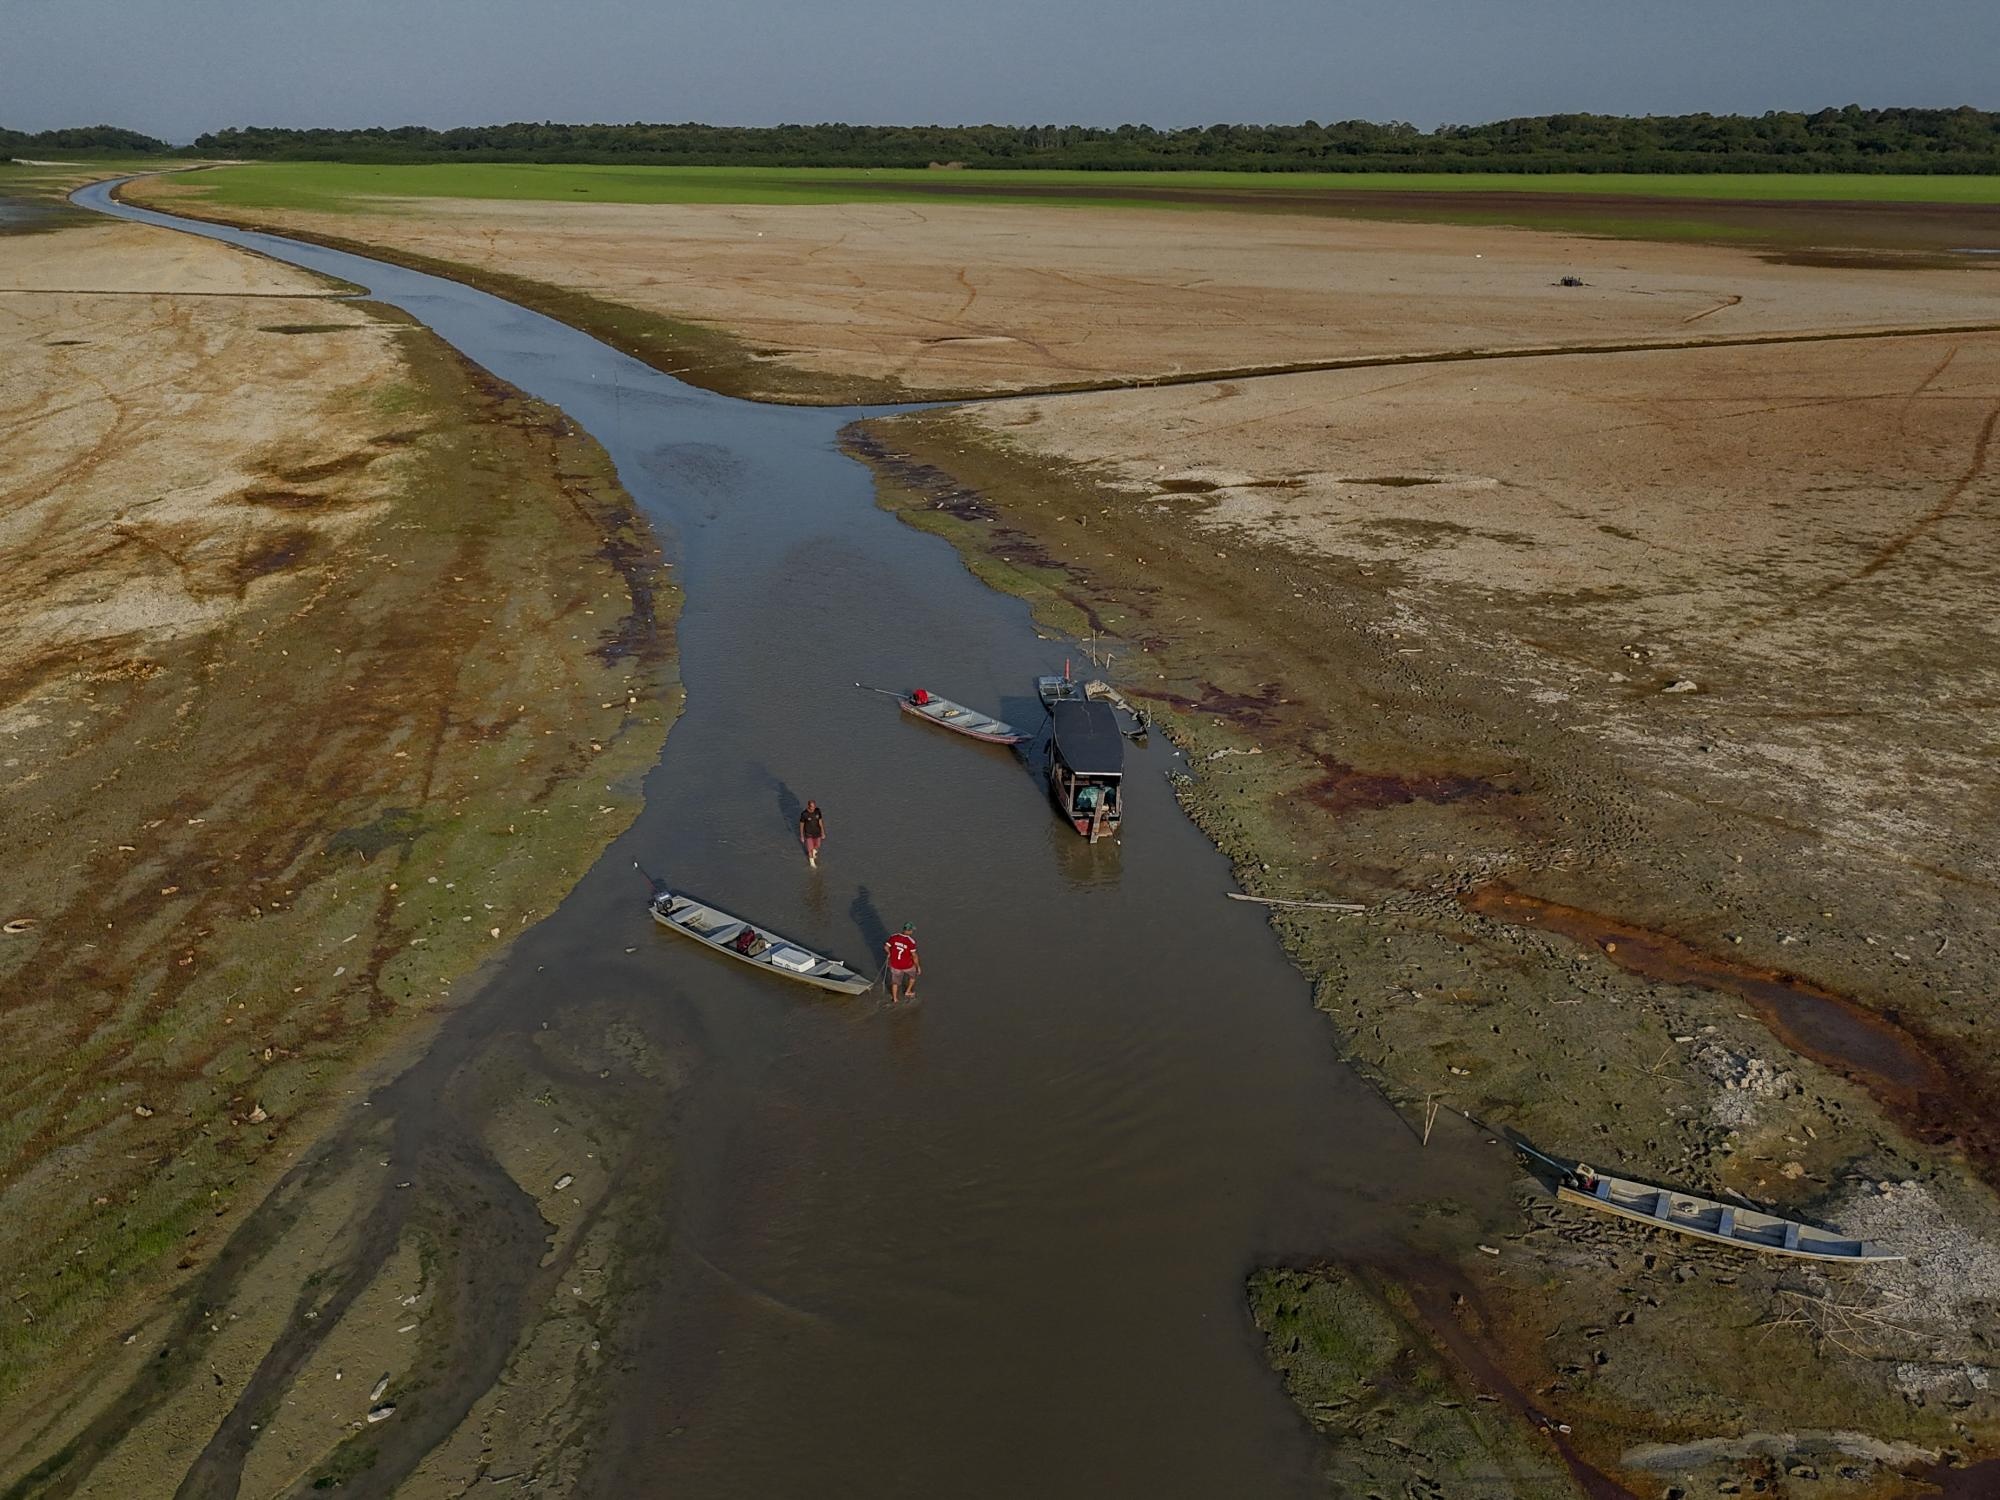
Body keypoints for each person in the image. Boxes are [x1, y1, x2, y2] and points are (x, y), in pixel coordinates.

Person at [884, 923, 921, 1001]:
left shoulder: (893, 937)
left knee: (895, 983)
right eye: (912, 930)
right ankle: (907, 992)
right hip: (908, 965)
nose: (912, 932)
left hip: (895, 965)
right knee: (912, 977)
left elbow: (886, 947)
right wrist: (918, 966)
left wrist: (889, 953)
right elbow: (914, 955)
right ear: (910, 931)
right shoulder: (911, 941)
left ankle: (895, 998)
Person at [798, 799, 826, 867]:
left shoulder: (818, 811)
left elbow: (820, 822)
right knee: (810, 849)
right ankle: (812, 863)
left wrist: (823, 832)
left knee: (818, 846)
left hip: (817, 833)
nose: (813, 808)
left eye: (814, 806)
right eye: (811, 807)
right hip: (808, 834)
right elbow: (801, 825)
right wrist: (802, 835)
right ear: (808, 806)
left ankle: (814, 852)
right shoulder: (804, 814)